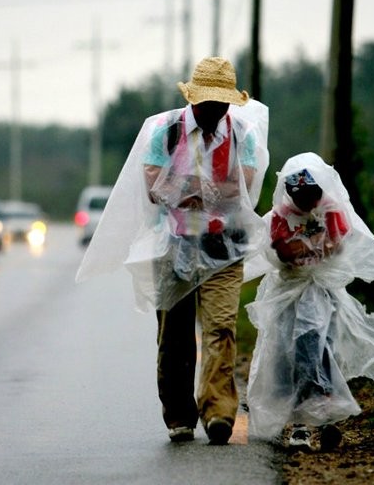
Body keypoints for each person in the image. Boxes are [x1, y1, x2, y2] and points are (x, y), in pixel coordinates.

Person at [76, 56, 269, 445]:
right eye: (209, 102)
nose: (216, 109)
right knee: (174, 335)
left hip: (224, 247)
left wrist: (190, 189)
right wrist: (207, 189)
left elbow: (241, 189)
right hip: (172, 247)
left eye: (222, 103)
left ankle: (218, 411)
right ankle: (179, 415)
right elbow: (153, 185)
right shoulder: (165, 131)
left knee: (221, 329)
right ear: (195, 99)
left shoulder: (242, 134)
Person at [245, 152, 374, 452]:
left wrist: (312, 248)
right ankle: (299, 423)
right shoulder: (279, 217)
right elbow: (282, 252)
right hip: (290, 294)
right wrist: (302, 249)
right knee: (289, 354)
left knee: (321, 350)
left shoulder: (330, 210)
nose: (308, 204)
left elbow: (337, 244)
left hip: (322, 292)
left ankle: (326, 421)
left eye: (312, 196)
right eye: (302, 198)